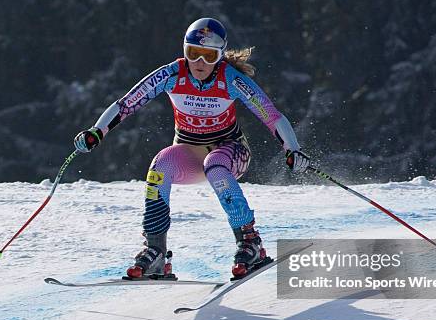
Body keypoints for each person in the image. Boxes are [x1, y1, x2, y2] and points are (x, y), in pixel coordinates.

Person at [74, 17, 310, 279]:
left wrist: (292, 148)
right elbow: (127, 103)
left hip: (231, 151)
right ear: (184, 50)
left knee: (216, 167)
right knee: (159, 167)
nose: (199, 63)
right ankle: (156, 253)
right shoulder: (171, 74)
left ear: (220, 57)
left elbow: (271, 115)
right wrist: (97, 131)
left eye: (208, 56)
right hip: (189, 153)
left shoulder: (230, 79)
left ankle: (249, 242)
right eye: (193, 53)